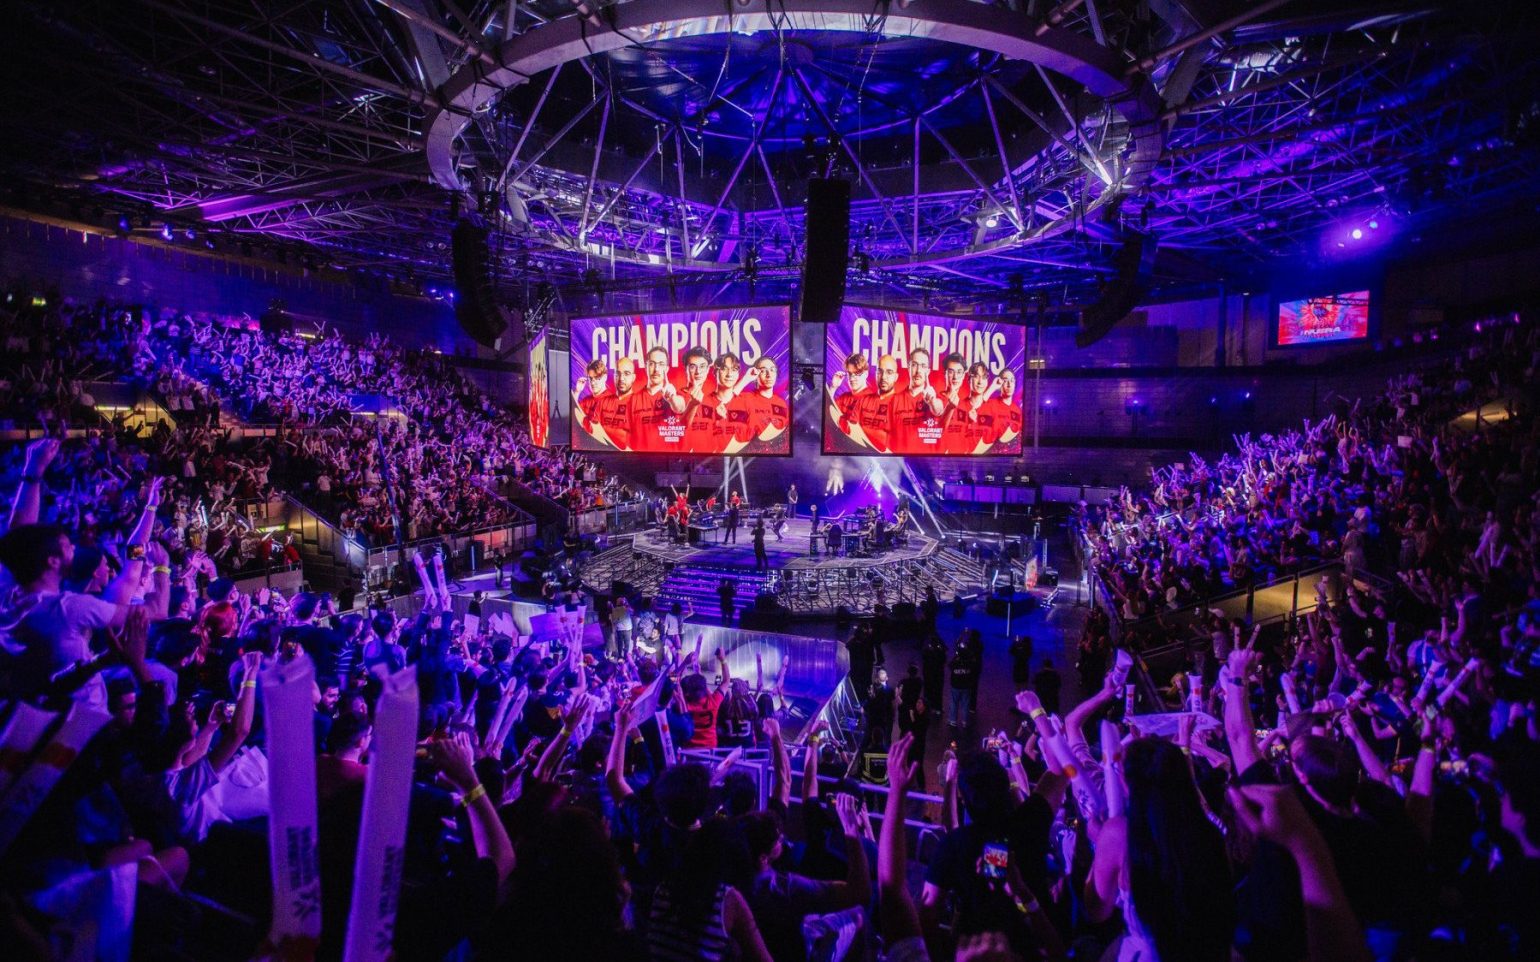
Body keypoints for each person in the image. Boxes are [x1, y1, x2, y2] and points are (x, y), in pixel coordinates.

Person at [947, 630, 982, 729]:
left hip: (955, 685)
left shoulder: (956, 661)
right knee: (966, 704)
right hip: (966, 686)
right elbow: (974, 668)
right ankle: (965, 722)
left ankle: (953, 721)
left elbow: (949, 666)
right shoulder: (970, 662)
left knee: (954, 703)